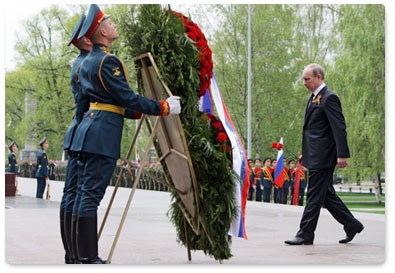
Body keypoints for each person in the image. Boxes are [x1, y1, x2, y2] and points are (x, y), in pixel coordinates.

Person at [70, 4, 181, 264]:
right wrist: (162, 107)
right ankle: (87, 257)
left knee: (84, 193)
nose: (114, 24)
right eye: (109, 22)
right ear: (103, 33)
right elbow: (126, 97)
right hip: (101, 136)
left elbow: (96, 103)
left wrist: (136, 112)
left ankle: (78, 254)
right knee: (91, 195)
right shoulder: (108, 61)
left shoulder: (87, 62)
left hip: (90, 130)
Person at [285, 63, 364, 245]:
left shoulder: (329, 98)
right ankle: (352, 224)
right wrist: (305, 154)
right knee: (326, 196)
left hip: (324, 157)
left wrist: (342, 154)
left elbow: (339, 127)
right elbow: (314, 131)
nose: (304, 82)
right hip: (315, 154)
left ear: (319, 77)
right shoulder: (314, 98)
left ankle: (305, 234)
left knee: (313, 195)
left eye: (307, 79)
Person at [59, 13, 93, 264]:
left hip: (76, 131)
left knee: (71, 194)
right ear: (86, 40)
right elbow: (87, 101)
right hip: (83, 129)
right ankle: (77, 255)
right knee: (78, 194)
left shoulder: (79, 63)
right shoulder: (86, 64)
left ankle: (72, 253)